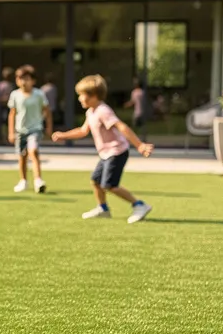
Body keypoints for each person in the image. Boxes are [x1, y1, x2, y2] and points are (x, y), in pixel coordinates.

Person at [51, 74, 154, 223]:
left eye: (82, 95)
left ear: (93, 96)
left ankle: (139, 205)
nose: (79, 99)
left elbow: (121, 126)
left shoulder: (103, 111)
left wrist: (139, 145)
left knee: (110, 186)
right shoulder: (91, 112)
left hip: (117, 152)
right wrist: (63, 135)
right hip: (106, 154)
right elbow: (83, 131)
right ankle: (102, 209)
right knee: (96, 181)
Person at [8, 65, 52, 193]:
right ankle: (23, 181)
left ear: (33, 80)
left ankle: (38, 180)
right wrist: (11, 132)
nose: (23, 82)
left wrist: (49, 127)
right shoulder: (15, 95)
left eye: (26, 79)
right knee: (22, 156)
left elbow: (47, 111)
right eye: (20, 79)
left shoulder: (39, 94)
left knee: (34, 151)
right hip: (20, 130)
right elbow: (12, 114)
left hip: (35, 129)